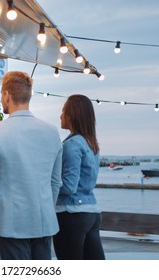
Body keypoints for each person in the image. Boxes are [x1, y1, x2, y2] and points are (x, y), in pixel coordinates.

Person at [0, 71, 62, 260]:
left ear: (6, 95)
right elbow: (56, 182)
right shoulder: (52, 132)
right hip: (44, 223)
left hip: (11, 224)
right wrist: (45, 208)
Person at [52, 94, 105, 260]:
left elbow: (68, 187)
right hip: (92, 213)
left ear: (72, 115)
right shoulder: (91, 143)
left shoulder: (71, 145)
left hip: (71, 214)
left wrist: (44, 186)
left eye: (63, 111)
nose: (60, 115)